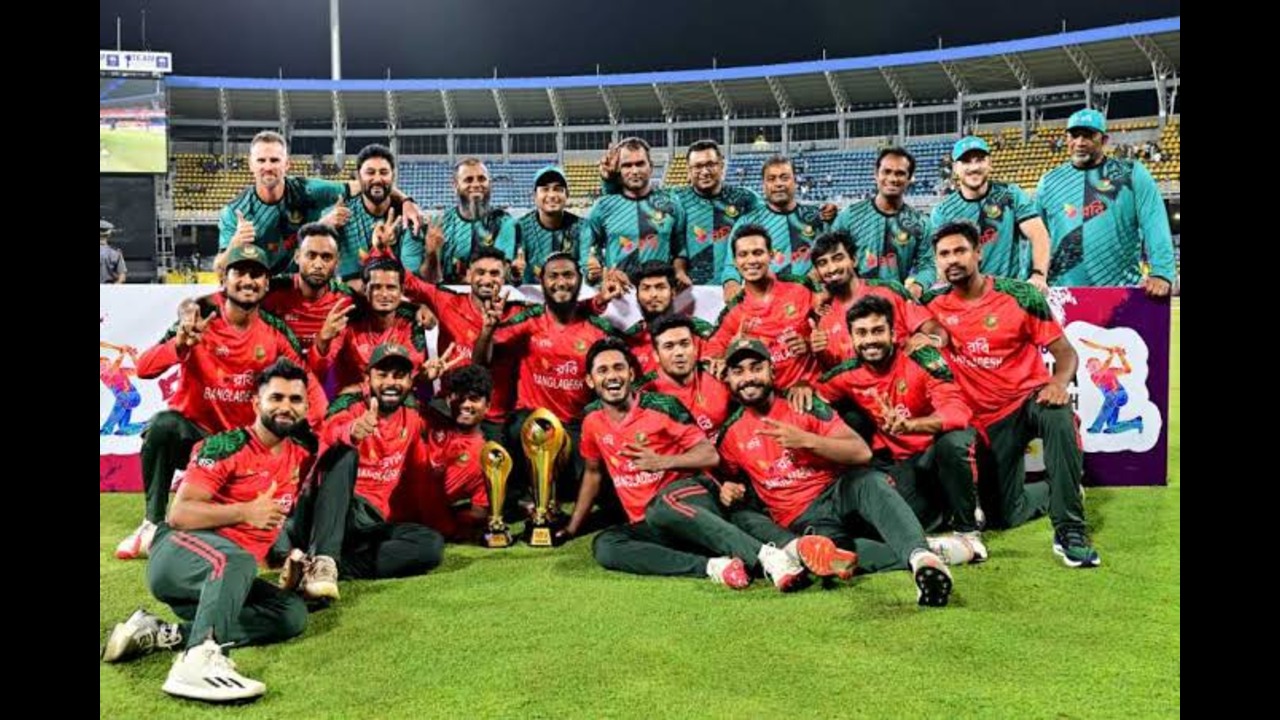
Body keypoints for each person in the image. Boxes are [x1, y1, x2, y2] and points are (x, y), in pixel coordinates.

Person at [100, 360, 316, 703]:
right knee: (237, 561)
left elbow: (257, 536)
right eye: (276, 397)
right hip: (177, 555)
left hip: (220, 579)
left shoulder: (298, 454)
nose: (286, 406)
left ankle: (162, 633)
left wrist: (285, 568)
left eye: (295, 399)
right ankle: (198, 663)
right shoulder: (226, 446)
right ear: (256, 403)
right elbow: (180, 513)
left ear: (306, 407)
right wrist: (245, 511)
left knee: (290, 614)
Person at [116, 244, 327, 561]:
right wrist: (180, 345)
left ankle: (286, 525)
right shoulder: (198, 322)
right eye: (240, 272)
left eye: (256, 274)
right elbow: (144, 368)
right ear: (224, 280)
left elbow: (306, 381)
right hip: (196, 441)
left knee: (300, 434)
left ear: (266, 284)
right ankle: (152, 523)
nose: (248, 281)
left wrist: (325, 429)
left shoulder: (275, 332)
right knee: (162, 426)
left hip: (245, 449)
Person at [715, 339, 955, 606]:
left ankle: (922, 559)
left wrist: (807, 440)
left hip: (838, 492)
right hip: (804, 518)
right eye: (738, 371)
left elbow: (860, 452)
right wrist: (728, 488)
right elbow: (725, 479)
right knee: (834, 560)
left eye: (756, 368)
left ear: (772, 371)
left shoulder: (804, 404)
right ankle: (929, 550)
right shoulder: (729, 434)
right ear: (728, 379)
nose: (748, 378)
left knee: (870, 481)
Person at [561, 338, 814, 590]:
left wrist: (661, 462)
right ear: (590, 380)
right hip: (651, 522)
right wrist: (572, 528)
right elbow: (593, 474)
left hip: (691, 498)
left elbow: (709, 455)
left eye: (618, 367)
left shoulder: (663, 407)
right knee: (605, 546)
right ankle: (714, 567)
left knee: (662, 505)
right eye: (602, 370)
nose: (612, 376)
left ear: (631, 373)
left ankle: (771, 559)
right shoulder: (592, 420)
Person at [922, 220, 1098, 568]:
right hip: (981, 419)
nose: (952, 259)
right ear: (936, 261)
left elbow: (1066, 353)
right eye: (944, 254)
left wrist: (1058, 384)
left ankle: (1070, 530)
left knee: (1057, 413)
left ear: (978, 253)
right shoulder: (929, 304)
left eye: (960, 250)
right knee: (1005, 515)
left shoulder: (1020, 296)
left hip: (1026, 402)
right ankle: (1057, 491)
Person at [1034, 108, 1175, 295]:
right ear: (1066, 139)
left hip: (1120, 290)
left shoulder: (1131, 173)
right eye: (1074, 136)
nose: (1080, 142)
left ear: (1104, 140)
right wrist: (1032, 276)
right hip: (1061, 293)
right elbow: (1035, 236)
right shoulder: (1049, 182)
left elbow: (1154, 222)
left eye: (1088, 135)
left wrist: (1162, 272)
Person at [930, 136, 1050, 290]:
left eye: (980, 160)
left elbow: (1038, 234)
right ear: (955, 168)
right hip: (965, 295)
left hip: (1008, 292)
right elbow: (939, 260)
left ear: (989, 163)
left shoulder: (1010, 194)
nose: (974, 167)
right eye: (966, 161)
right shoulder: (943, 212)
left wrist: (1039, 275)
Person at [831, 147, 935, 296]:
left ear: (910, 178)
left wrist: (918, 286)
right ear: (876, 174)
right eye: (887, 172)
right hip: (854, 301)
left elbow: (928, 265)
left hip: (896, 301)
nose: (892, 179)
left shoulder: (921, 223)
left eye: (900, 173)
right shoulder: (849, 216)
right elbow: (830, 256)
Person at [100, 219, 128, 284]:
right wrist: (113, 287)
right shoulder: (116, 252)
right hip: (108, 288)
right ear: (109, 235)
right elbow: (122, 276)